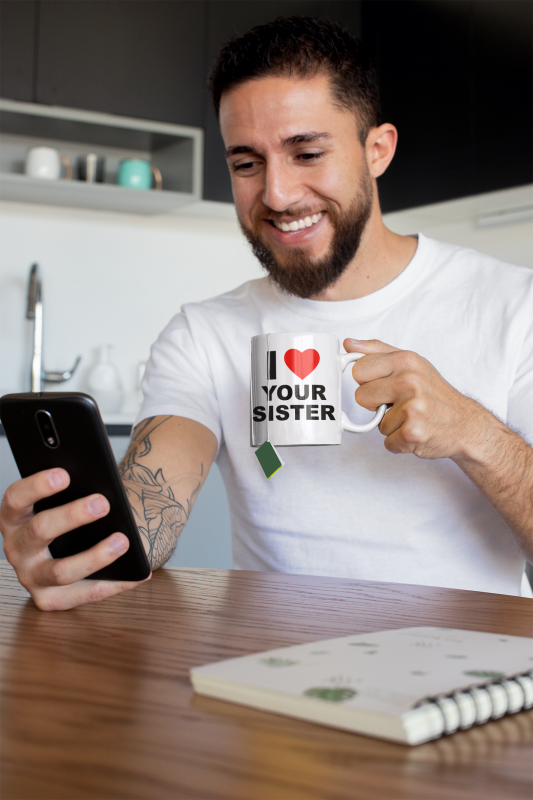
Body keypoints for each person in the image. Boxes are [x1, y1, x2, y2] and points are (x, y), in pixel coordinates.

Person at [1, 17, 532, 611]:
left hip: (468, 663)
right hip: (270, 657)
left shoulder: (514, 306)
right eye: (247, 164)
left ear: (377, 150)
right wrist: (89, 551)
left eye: (307, 153)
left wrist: (476, 434)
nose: (277, 195)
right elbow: (157, 491)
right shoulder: (204, 334)